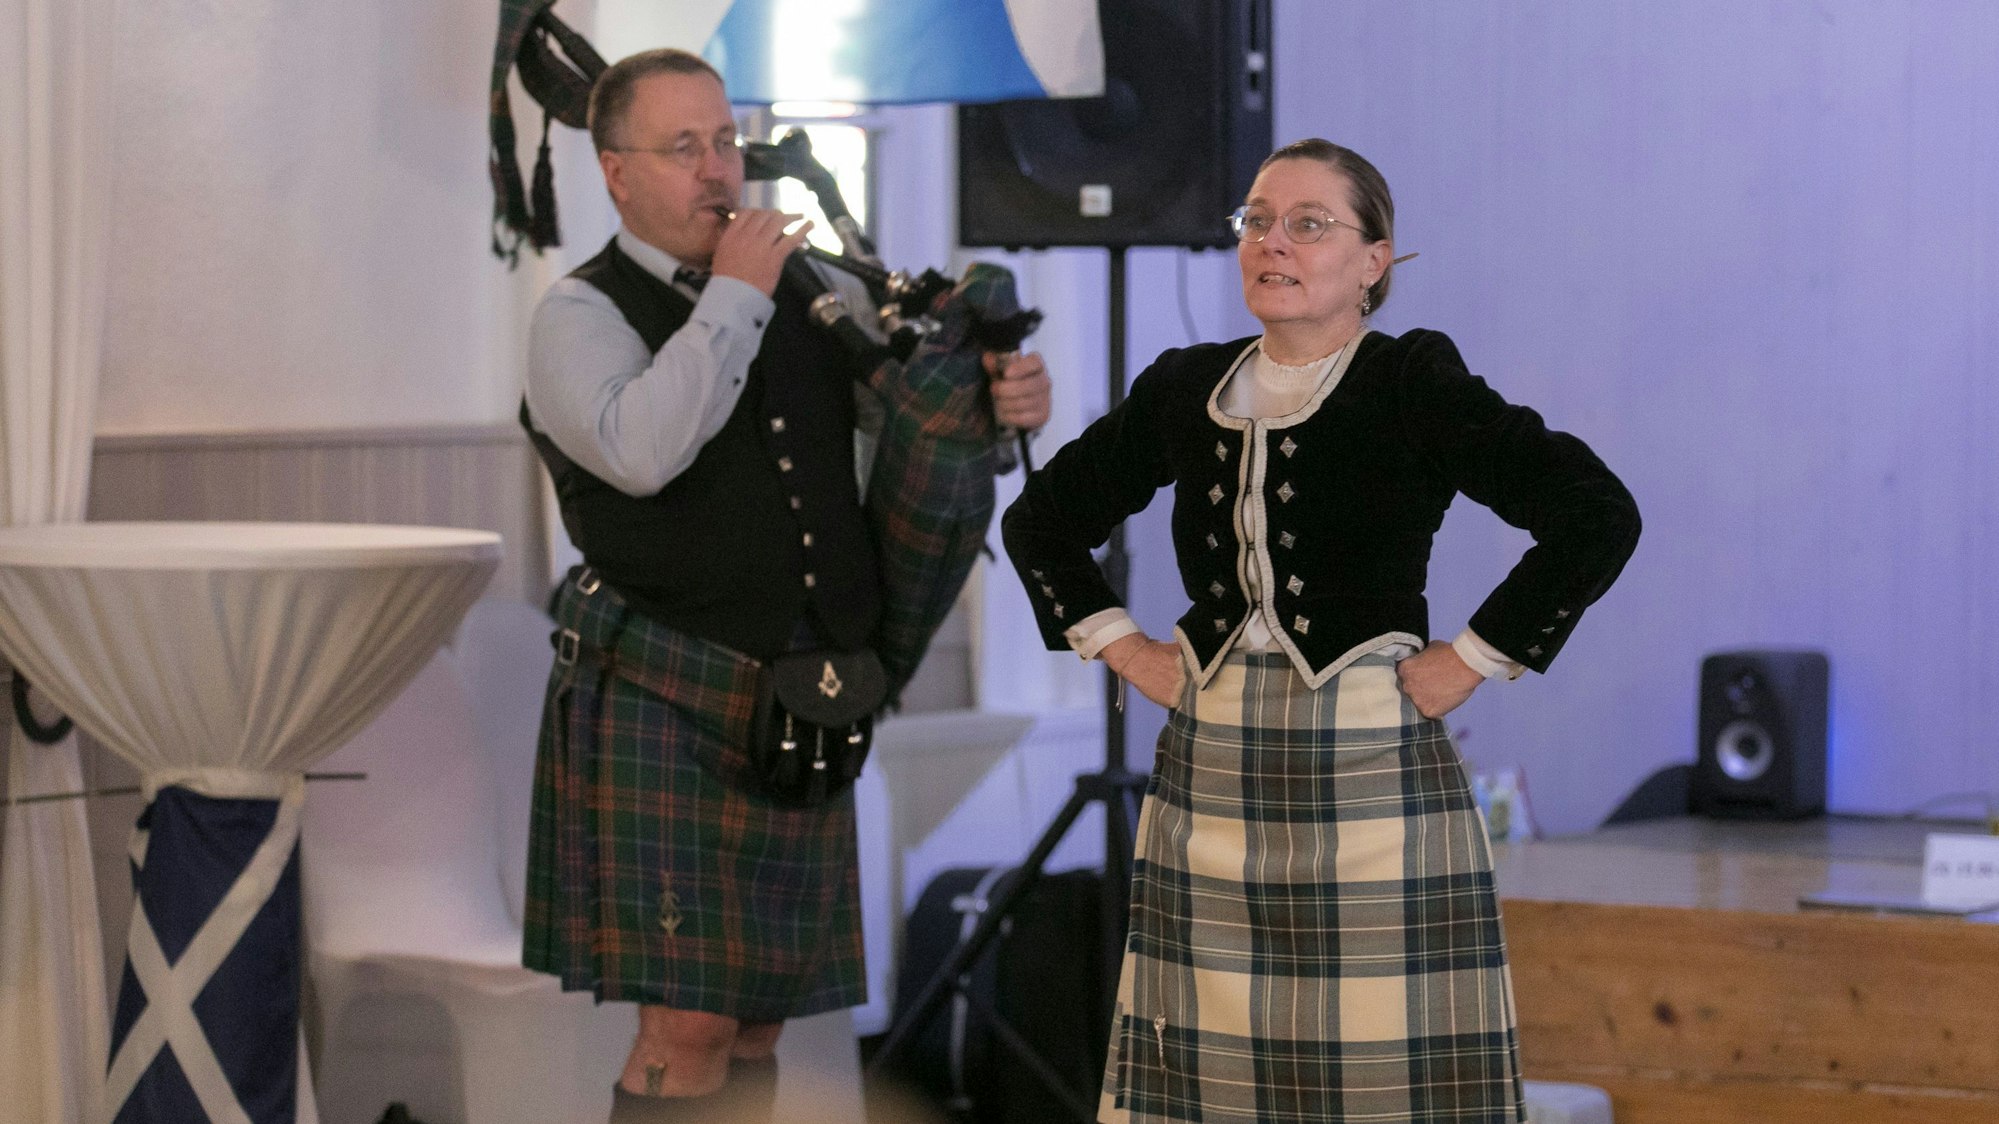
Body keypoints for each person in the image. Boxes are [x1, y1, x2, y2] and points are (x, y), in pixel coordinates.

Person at [1002, 138, 1640, 1123]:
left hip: (1370, 767)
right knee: (1211, 1083)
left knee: (1381, 1080)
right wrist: (1123, 647)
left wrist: (1468, 658)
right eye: (1257, 220)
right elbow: (1040, 521)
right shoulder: (1185, 387)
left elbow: (1595, 512)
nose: (1274, 241)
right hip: (1209, 774)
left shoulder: (1409, 382)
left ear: (1373, 261)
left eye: (1308, 223)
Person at [518, 48, 1051, 1122]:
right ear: (616, 173)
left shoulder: (812, 289)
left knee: (758, 1013)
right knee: (689, 1021)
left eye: (725, 140)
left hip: (801, 696)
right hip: (660, 687)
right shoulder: (577, 314)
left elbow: (912, 423)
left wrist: (1002, 404)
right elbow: (642, 448)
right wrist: (736, 295)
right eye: (682, 148)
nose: (718, 170)